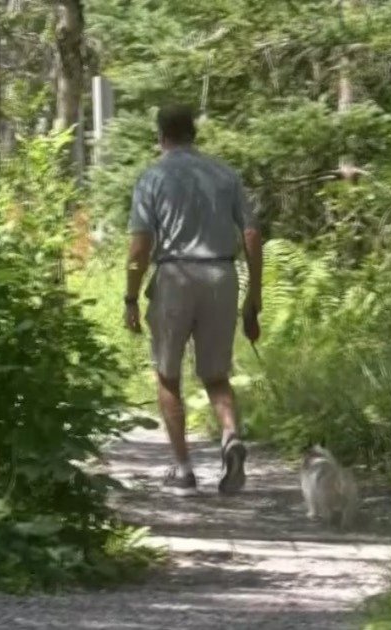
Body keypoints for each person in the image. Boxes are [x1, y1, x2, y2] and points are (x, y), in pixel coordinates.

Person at [123, 103, 263, 496]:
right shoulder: (225, 174)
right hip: (221, 274)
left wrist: (131, 297)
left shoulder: (152, 177)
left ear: (161, 135)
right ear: (193, 134)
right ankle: (231, 434)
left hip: (175, 277)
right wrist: (254, 296)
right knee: (216, 374)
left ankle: (183, 469)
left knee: (168, 374)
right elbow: (251, 235)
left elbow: (140, 245)